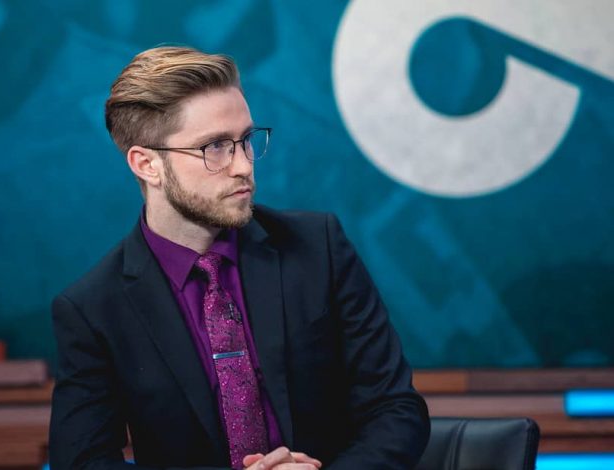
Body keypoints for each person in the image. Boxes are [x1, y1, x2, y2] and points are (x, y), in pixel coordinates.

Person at [49, 46, 430, 470]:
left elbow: (396, 410)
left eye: (246, 140)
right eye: (215, 147)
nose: (244, 166)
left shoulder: (318, 247)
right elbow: (82, 462)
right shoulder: (93, 309)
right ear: (147, 165)